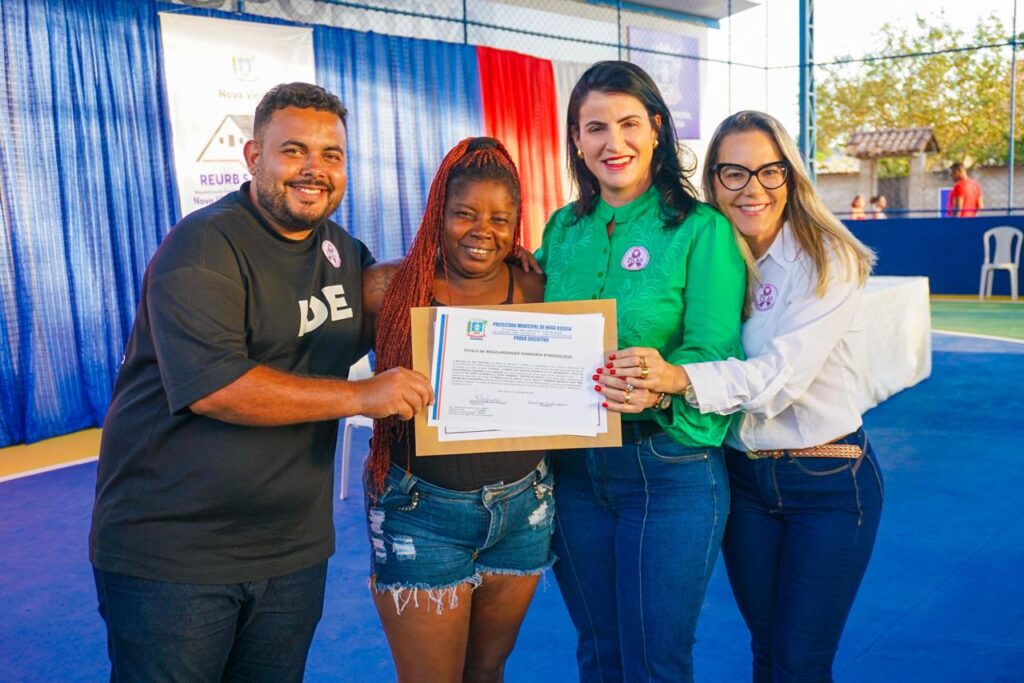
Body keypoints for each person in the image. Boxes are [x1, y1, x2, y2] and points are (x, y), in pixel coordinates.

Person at [88, 83, 433, 682]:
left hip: (291, 551)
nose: (314, 169)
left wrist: (496, 264)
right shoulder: (205, 243)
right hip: (175, 553)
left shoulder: (342, 250)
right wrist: (361, 396)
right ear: (253, 157)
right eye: (293, 150)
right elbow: (217, 387)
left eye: (331, 155)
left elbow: (395, 292)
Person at [598, 110, 884, 683]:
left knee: (799, 665)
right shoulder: (716, 252)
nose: (753, 189)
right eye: (734, 173)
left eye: (769, 171)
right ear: (713, 181)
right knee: (766, 651)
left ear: (791, 176)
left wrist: (676, 379)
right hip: (743, 478)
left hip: (826, 479)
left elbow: (781, 377)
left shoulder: (829, 259)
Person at [536, 61, 746, 681]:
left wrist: (659, 382)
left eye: (629, 123)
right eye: (595, 127)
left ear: (657, 129)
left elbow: (716, 354)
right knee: (599, 654)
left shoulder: (701, 230)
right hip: (573, 471)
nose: (614, 142)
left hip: (669, 469)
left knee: (656, 662)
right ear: (577, 140)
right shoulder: (562, 229)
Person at [361, 137, 550, 683]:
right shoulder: (387, 288)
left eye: (499, 219)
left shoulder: (535, 286)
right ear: (437, 214)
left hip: (524, 509)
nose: (481, 231)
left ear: (516, 224)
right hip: (420, 511)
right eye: (465, 214)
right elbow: (312, 364)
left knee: (487, 672)